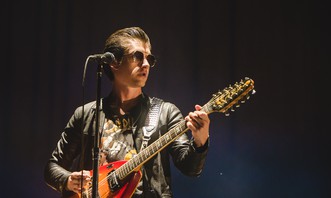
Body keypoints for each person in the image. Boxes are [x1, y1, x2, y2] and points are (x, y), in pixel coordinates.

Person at [44, 26, 210, 198]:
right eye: (137, 56)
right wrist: (68, 180)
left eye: (149, 59)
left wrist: (200, 140)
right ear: (114, 62)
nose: (145, 64)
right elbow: (52, 167)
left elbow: (190, 169)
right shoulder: (86, 114)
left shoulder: (165, 112)